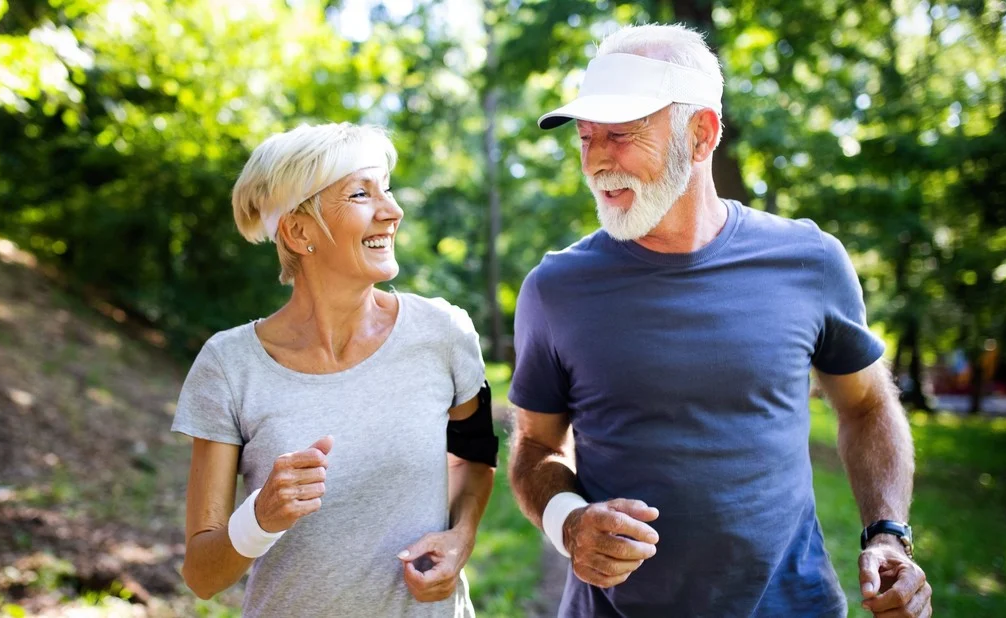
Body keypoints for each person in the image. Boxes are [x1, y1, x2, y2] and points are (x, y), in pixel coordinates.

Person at [506, 24, 933, 618]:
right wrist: (568, 521)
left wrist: (887, 533)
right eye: (585, 137)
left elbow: (866, 406)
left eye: (622, 135)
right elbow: (534, 445)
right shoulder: (555, 288)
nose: (597, 160)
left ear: (701, 134)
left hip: (794, 606)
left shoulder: (809, 260)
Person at [173, 122, 494, 617]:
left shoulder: (445, 332)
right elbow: (201, 575)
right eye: (361, 194)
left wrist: (461, 537)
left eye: (386, 191)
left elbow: (474, 454)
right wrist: (259, 518)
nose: (393, 212)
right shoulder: (229, 364)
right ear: (300, 232)